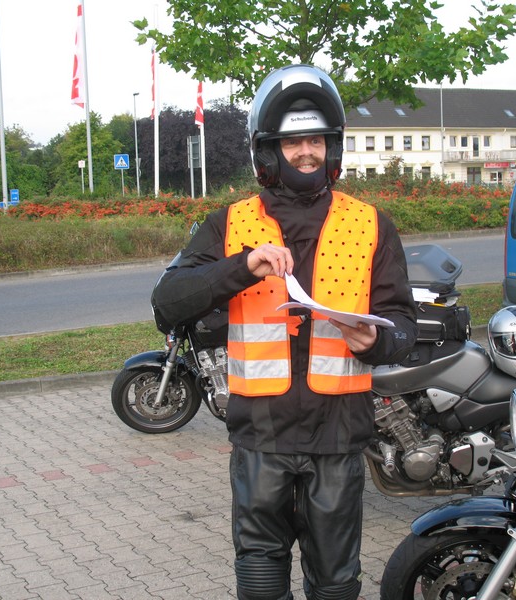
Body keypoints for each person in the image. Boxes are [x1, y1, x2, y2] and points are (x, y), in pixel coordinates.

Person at [151, 64, 417, 600]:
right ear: (268, 150)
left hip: (338, 438)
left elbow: (403, 322)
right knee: (260, 578)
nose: (306, 152)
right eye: (292, 141)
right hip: (261, 440)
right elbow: (167, 302)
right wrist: (240, 267)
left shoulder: (371, 224)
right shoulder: (230, 224)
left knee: (336, 582)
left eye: (315, 139)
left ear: (332, 146)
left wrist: (379, 342)